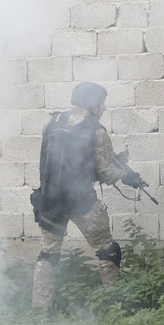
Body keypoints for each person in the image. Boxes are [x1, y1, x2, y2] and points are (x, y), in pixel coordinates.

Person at [30, 82, 143, 312]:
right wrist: (126, 175)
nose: (105, 108)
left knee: (47, 256)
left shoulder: (51, 123)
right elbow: (106, 173)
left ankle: (40, 311)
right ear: (92, 102)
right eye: (103, 102)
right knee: (108, 251)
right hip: (82, 202)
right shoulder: (96, 130)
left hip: (50, 201)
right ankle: (116, 307)